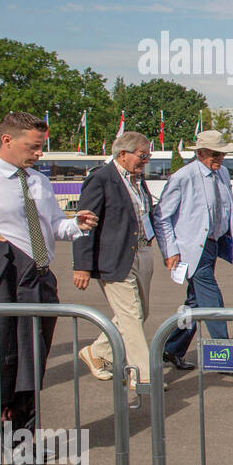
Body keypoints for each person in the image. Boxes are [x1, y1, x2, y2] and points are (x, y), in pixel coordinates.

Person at [0, 112, 98, 465]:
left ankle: (21, 441)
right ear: (6, 141)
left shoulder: (38, 181)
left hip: (37, 281)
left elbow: (53, 227)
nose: (39, 154)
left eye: (41, 147)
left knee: (30, 366)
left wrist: (76, 225)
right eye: (32, 147)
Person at [73, 131, 166, 390]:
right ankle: (144, 376)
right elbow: (84, 222)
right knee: (131, 316)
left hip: (143, 252)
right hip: (114, 258)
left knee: (139, 312)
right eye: (142, 155)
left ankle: (98, 351)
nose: (146, 160)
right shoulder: (100, 179)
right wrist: (81, 265)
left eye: (148, 155)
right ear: (122, 154)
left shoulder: (138, 180)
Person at [157, 129, 233, 376]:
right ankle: (223, 359)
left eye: (221, 153)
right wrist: (170, 250)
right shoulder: (183, 176)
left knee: (195, 302)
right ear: (200, 153)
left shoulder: (222, 173)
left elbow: (230, 206)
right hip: (191, 249)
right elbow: (162, 215)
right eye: (213, 153)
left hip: (213, 244)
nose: (219, 158)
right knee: (212, 302)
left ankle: (173, 348)